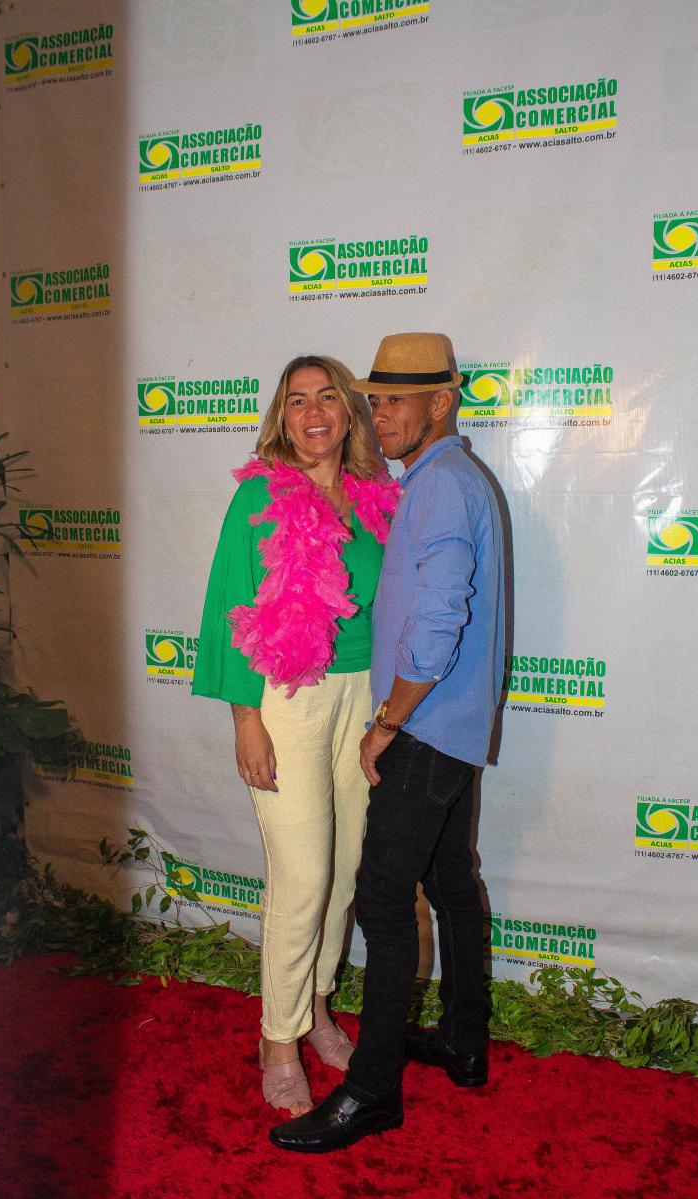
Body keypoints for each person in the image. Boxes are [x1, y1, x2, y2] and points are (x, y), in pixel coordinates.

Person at [270, 331, 505, 1152]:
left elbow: (437, 625)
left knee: (380, 898)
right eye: (374, 400)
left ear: (441, 402)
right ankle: (464, 1043)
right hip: (454, 726)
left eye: (395, 401)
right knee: (450, 882)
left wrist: (387, 723)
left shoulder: (440, 487)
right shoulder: (448, 479)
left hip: (426, 728)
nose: (380, 416)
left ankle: (370, 1093)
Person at [192, 354, 399, 1117]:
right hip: (287, 699)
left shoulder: (377, 496)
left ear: (349, 413)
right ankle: (277, 1039)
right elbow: (230, 606)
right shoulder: (258, 497)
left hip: (362, 697)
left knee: (343, 874)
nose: (313, 413)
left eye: (327, 398)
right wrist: (246, 719)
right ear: (283, 417)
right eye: (297, 400)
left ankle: (315, 1007)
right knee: (303, 877)